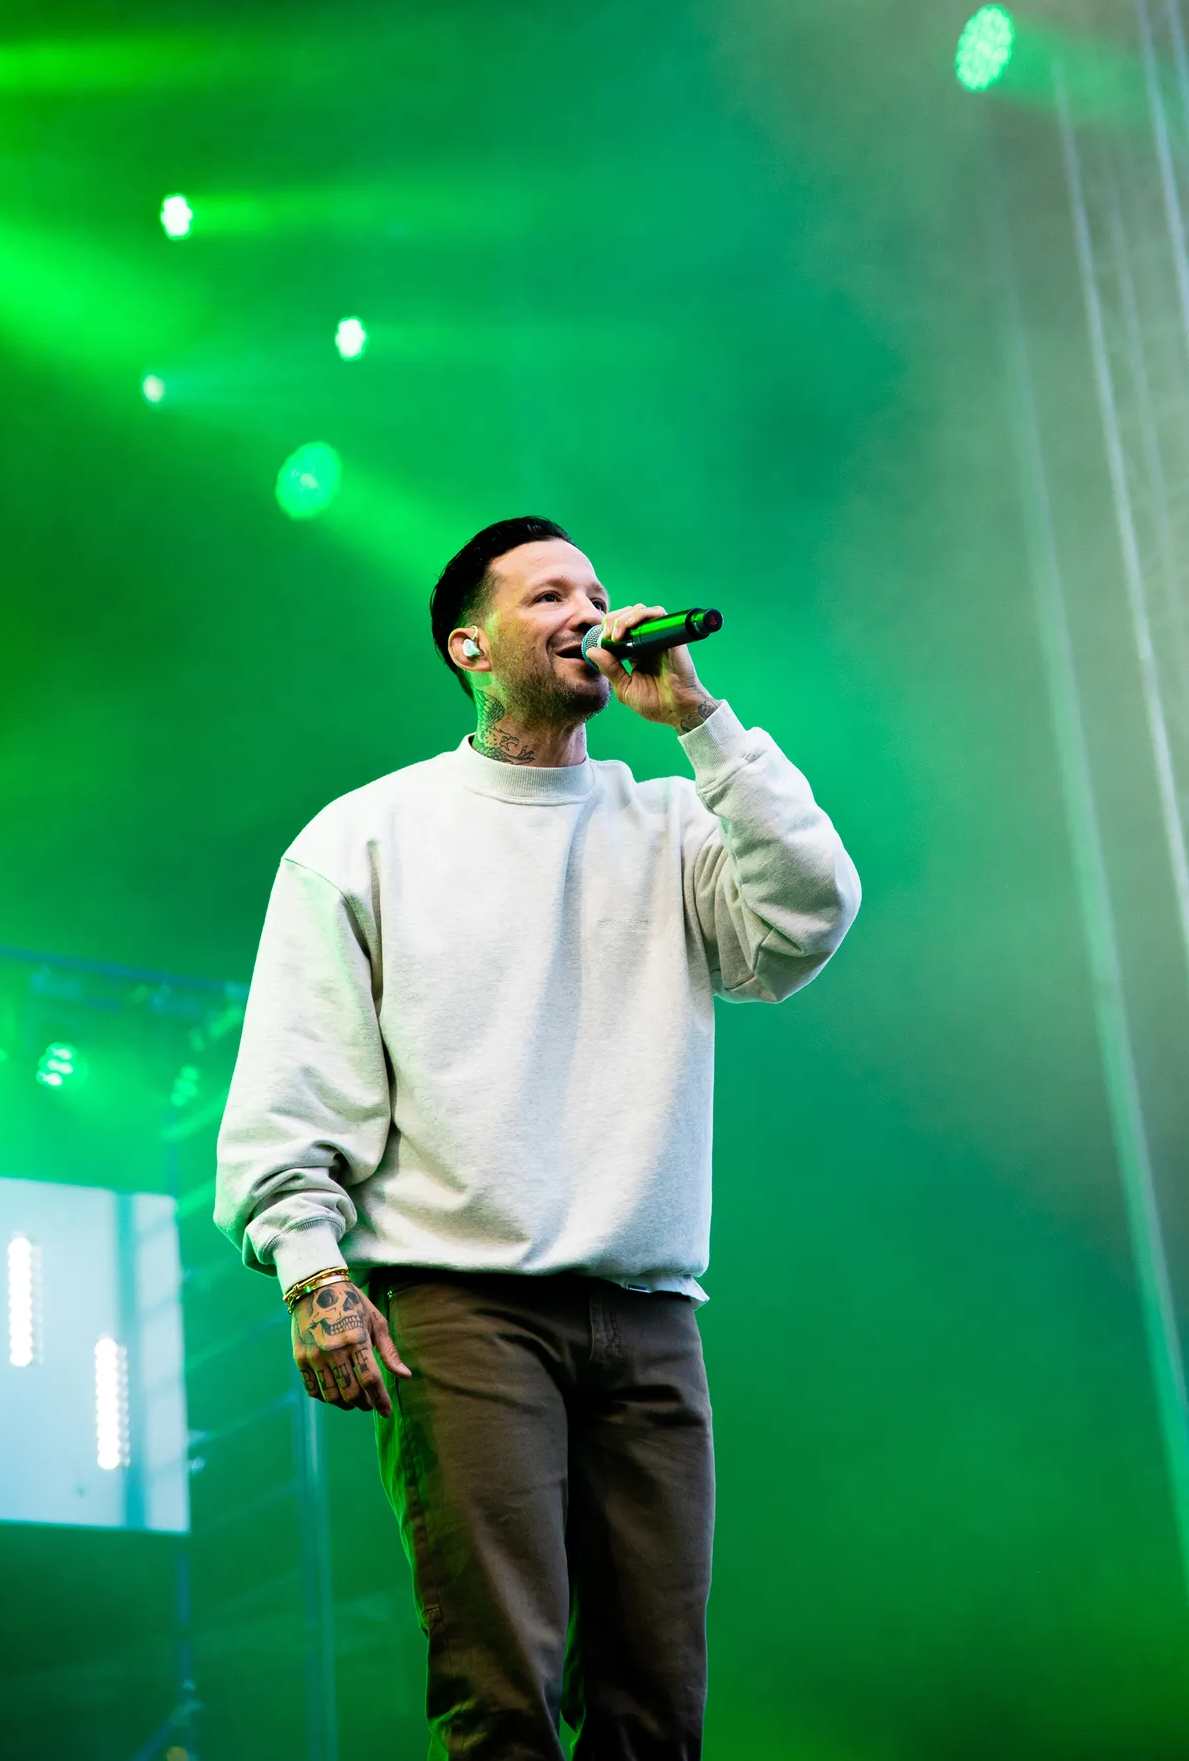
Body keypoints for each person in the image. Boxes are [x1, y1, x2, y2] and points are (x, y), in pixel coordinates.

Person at [215, 515, 860, 1760]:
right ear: (470, 646)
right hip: (465, 1305)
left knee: (656, 1705)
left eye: (598, 590)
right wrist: (311, 1271)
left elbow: (810, 917)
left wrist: (702, 724)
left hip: (650, 1310)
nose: (590, 611)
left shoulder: (671, 822)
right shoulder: (366, 838)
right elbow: (296, 1077)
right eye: (549, 594)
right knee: (499, 1686)